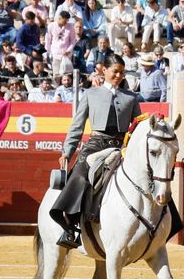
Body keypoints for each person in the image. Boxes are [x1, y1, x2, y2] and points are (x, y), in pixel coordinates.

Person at [49, 52, 142, 248]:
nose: (119, 76)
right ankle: (70, 227)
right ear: (104, 70)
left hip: (121, 147)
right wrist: (67, 151)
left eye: (122, 72)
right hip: (96, 144)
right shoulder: (90, 94)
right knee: (79, 176)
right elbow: (77, 125)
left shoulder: (131, 97)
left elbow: (137, 128)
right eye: (115, 71)